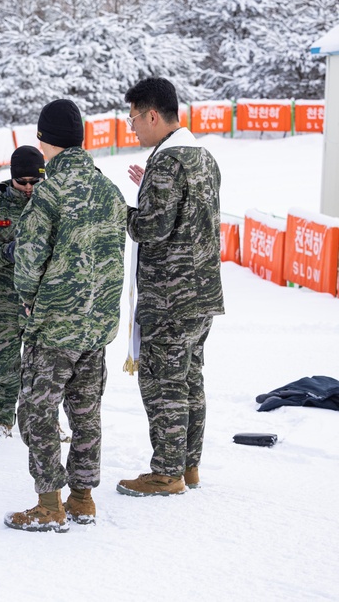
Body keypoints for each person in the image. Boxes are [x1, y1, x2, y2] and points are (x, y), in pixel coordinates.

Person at [3, 100, 125, 532]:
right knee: (86, 410)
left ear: (43, 141)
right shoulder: (110, 190)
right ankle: (83, 497)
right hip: (96, 325)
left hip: (55, 325)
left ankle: (49, 502)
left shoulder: (49, 193)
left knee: (38, 411)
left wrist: (32, 302)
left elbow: (29, 262)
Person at [117, 77, 224, 497]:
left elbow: (151, 226)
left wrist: (119, 211)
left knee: (164, 382)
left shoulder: (167, 164)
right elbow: (186, 210)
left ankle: (166, 472)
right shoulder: (202, 156)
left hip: (169, 297)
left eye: (134, 119)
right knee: (190, 378)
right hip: (201, 294)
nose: (132, 128)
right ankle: (188, 464)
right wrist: (151, 185)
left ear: (153, 115)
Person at [0, 146, 45, 440]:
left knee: (42, 366)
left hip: (41, 300)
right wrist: (7, 252)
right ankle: (1, 419)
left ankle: (41, 420)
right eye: (21, 182)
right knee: (4, 364)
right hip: (4, 299)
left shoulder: (50, 203)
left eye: (33, 182)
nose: (28, 188)